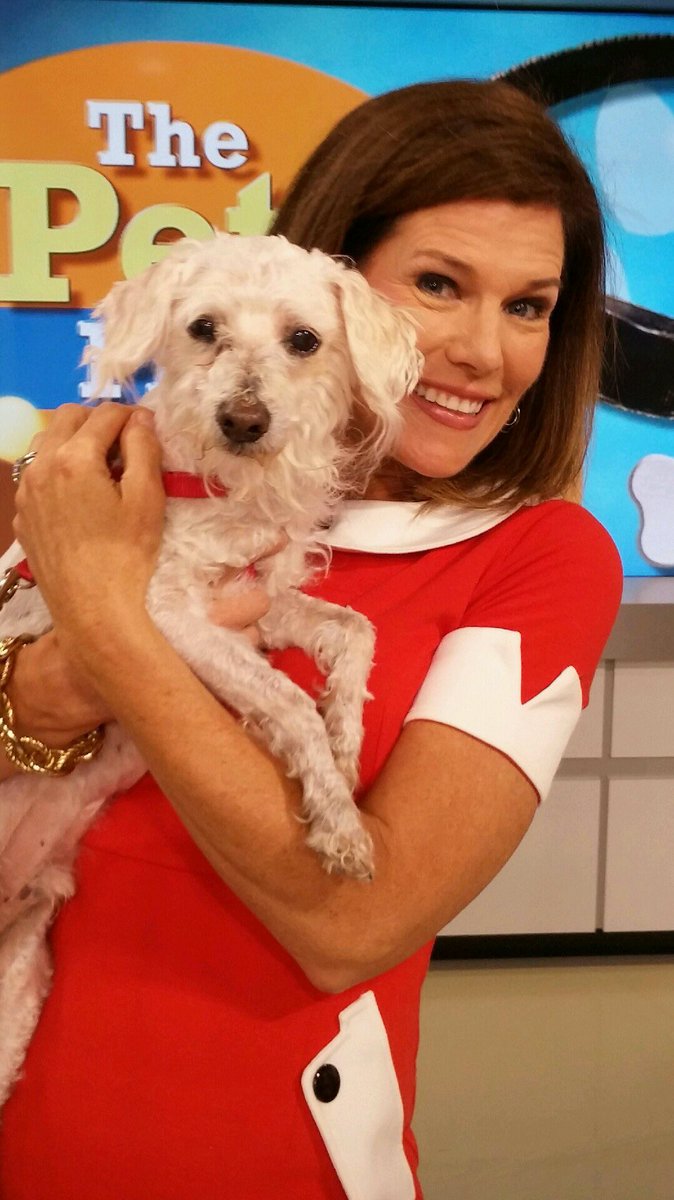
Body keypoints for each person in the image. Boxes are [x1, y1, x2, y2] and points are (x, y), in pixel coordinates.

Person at [0, 80, 622, 1199]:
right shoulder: (126, 464)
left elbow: (353, 923)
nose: (483, 351)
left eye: (528, 306)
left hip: (267, 1152)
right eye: (438, 284)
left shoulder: (537, 557)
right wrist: (39, 697)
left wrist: (104, 616)